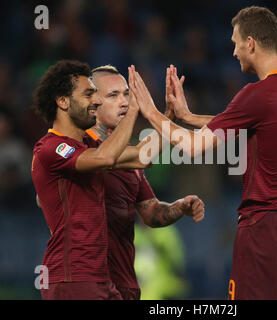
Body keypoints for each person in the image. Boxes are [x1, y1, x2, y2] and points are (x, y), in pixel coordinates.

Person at [130, 5, 277, 299]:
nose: (234, 52)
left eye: (236, 43)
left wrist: (152, 113)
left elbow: (192, 146)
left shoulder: (256, 95)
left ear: (250, 43)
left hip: (267, 228)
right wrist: (189, 115)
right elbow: (263, 124)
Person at [84, 64, 204, 299]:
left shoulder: (128, 158)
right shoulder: (80, 147)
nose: (124, 102)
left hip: (124, 285)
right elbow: (141, 156)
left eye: (127, 94)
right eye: (113, 95)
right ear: (93, 102)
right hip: (87, 282)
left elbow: (151, 213)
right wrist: (155, 115)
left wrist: (180, 206)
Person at [31, 60, 141, 300]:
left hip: (98, 278)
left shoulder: (88, 146)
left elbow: (143, 157)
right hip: (71, 276)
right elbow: (107, 156)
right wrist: (133, 109)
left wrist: (166, 117)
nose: (97, 101)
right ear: (63, 101)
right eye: (88, 93)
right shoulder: (50, 148)